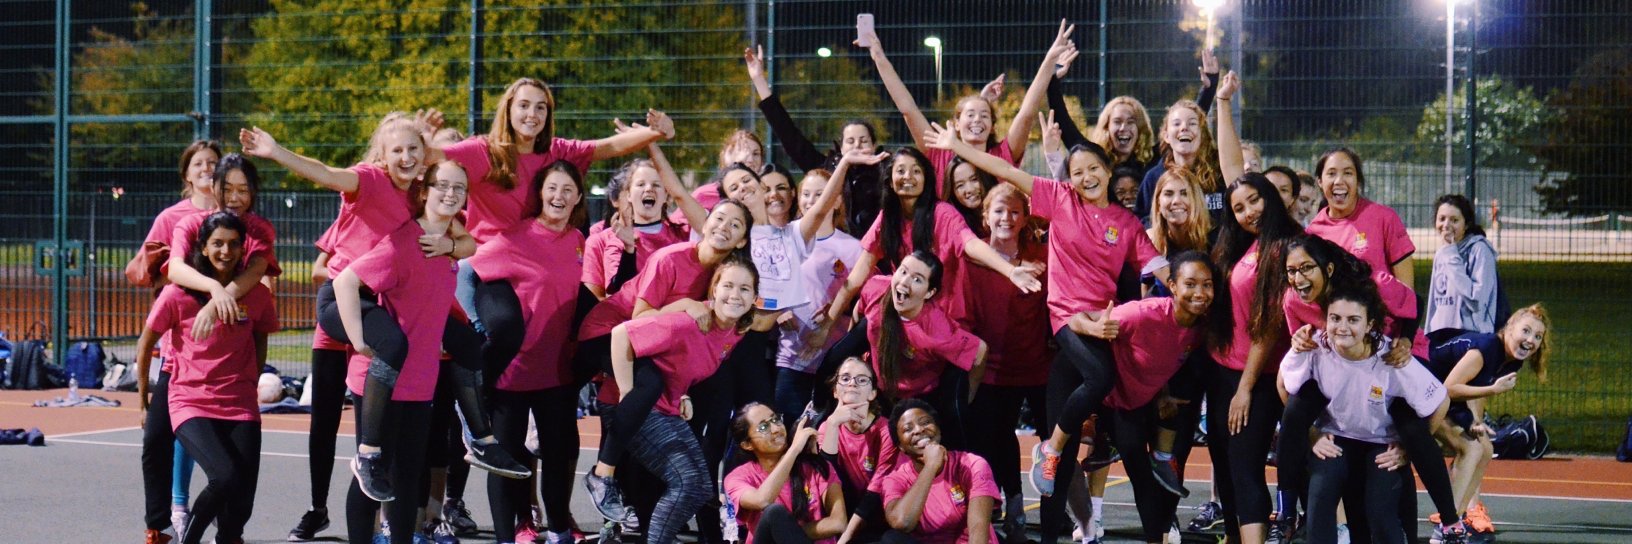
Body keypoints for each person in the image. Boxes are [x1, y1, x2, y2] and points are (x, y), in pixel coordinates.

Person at [330, 163, 489, 543]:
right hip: (383, 382)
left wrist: (453, 246)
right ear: (424, 191)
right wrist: (358, 339)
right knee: (374, 475)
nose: (450, 194)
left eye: (459, 188)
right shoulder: (406, 241)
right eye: (442, 186)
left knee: (407, 478)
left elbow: (468, 250)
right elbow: (346, 281)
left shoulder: (447, 244)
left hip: (420, 379)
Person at [1276, 234, 1466, 543]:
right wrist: (1313, 434)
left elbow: (1414, 302)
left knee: (1409, 428)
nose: (1298, 278)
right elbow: (1292, 370)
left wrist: (1404, 340)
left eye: (1307, 268)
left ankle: (1450, 521)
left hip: (1391, 357)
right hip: (1338, 363)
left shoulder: (1372, 285)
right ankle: (1284, 511)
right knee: (1297, 408)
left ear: (1329, 269)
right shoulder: (1295, 301)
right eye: (1291, 270)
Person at [465, 160, 593, 543]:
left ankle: (557, 530)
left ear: (578, 199)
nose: (559, 196)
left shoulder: (579, 241)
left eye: (568, 190)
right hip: (512, 374)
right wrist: (476, 326)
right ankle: (510, 534)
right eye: (552, 188)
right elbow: (464, 274)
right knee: (508, 463)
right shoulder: (513, 238)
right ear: (539, 193)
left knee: (557, 457)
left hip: (558, 372)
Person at [136, 211, 279, 544]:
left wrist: (251, 381)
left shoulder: (256, 295)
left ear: (244, 249)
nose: (225, 252)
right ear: (202, 246)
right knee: (225, 476)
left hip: (240, 404)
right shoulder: (176, 295)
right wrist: (143, 402)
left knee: (240, 505)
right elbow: (144, 347)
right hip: (191, 402)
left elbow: (260, 338)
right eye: (217, 243)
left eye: (233, 244)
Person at [606, 253, 763, 544]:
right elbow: (620, 335)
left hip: (668, 407)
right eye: (728, 286)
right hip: (644, 410)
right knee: (687, 482)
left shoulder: (734, 331)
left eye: (744, 289)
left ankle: (655, 536)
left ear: (755, 297)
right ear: (714, 289)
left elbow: (683, 362)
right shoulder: (689, 322)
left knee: (701, 488)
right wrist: (628, 397)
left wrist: (683, 393)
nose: (735, 295)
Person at [822, 147, 1042, 329]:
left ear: (926, 179)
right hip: (905, 311)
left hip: (944, 317)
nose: (908, 177)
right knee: (870, 302)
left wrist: (1011, 271)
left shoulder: (942, 213)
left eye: (916, 171)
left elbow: (971, 244)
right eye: (901, 171)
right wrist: (828, 323)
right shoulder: (887, 218)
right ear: (890, 181)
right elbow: (856, 278)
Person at [1205, 174, 1303, 544]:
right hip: (1223, 371)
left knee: (1246, 468)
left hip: (1258, 377)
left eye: (1255, 200)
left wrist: (1245, 389)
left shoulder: (1284, 247)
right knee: (1227, 465)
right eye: (1239, 208)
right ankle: (1234, 535)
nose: (1249, 212)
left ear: (1271, 197)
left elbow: (1269, 327)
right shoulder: (1245, 244)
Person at [134, 140, 220, 544]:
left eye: (213, 164)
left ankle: (218, 511)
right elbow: (145, 270)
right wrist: (163, 269)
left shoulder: (231, 217)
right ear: (187, 174)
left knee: (214, 439)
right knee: (162, 439)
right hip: (180, 346)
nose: (207, 169)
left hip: (223, 347)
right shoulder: (172, 218)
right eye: (199, 164)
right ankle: (170, 514)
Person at [857, 17, 1070, 181]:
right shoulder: (939, 154)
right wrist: (878, 56)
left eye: (984, 115)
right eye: (970, 114)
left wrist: (1049, 61)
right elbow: (908, 109)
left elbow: (1027, 112)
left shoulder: (1004, 153)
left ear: (993, 126)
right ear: (956, 124)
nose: (977, 119)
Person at [959, 183, 1050, 542]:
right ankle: (1013, 509)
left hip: (1038, 365)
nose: (1006, 218)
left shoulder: (1041, 254)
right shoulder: (973, 258)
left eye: (1014, 211)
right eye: (998, 211)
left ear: (1025, 217)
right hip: (993, 370)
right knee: (997, 441)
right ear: (985, 216)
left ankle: (1070, 519)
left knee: (1053, 445)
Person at [1426, 305, 1552, 543]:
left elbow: (1472, 387)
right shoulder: (1485, 349)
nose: (1530, 340)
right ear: (1509, 328)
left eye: (1537, 336)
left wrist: (1474, 420)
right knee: (1471, 448)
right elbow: (1449, 388)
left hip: (1442, 396)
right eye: (1525, 331)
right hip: (1424, 389)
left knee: (1486, 448)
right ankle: (1446, 527)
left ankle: (1457, 519)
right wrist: (1493, 390)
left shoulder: (1511, 360)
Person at [769, 153, 880, 420]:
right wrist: (777, 310)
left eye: (820, 193)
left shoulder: (853, 248)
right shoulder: (782, 238)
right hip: (791, 359)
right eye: (806, 194)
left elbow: (866, 299)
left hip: (833, 361)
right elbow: (761, 287)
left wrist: (837, 313)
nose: (811, 200)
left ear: (837, 200)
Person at [745, 44, 882, 233]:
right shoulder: (824, 169)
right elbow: (789, 134)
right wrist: (759, 80)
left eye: (863, 141)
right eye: (850, 141)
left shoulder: (885, 174)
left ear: (874, 146)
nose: (857, 146)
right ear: (841, 147)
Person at [877, 399, 1001, 544]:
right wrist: (930, 467)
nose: (918, 430)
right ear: (901, 447)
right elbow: (902, 522)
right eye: (908, 429)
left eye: (925, 422)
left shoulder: (972, 464)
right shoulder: (894, 480)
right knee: (891, 539)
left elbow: (978, 532)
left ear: (939, 430)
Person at [724, 403, 848, 544]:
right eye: (764, 427)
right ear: (747, 444)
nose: (776, 429)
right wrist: (794, 450)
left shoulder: (815, 466)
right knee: (774, 513)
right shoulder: (738, 477)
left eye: (775, 419)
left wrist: (784, 534)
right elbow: (762, 500)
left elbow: (838, 522)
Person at [1306, 147, 1416, 288]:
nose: (1339, 180)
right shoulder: (1313, 233)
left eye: (1348, 173)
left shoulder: (1384, 218)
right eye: (1331, 173)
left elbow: (1406, 290)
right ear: (1320, 181)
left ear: (1358, 180)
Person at [819, 358, 899, 544]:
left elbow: (876, 491)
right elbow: (825, 478)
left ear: (872, 393)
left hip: (877, 517)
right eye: (845, 378)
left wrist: (845, 539)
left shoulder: (887, 431)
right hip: (842, 515)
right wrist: (832, 423)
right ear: (835, 390)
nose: (852, 383)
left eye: (861, 379)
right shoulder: (827, 427)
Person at [1426, 194, 1503, 346]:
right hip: (1441, 337)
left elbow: (1476, 302)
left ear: (1466, 224)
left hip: (1470, 338)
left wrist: (1452, 256)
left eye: (1454, 220)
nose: (1446, 225)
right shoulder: (1442, 253)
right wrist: (1429, 335)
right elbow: (1434, 303)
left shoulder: (1480, 250)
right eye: (1441, 219)